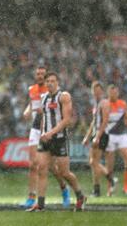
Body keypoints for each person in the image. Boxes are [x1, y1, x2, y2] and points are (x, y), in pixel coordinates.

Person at [27, 72, 86, 212]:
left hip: (59, 139)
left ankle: (80, 195)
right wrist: (42, 133)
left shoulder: (64, 96)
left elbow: (67, 120)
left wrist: (51, 133)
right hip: (46, 139)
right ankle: (40, 204)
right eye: (48, 81)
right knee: (41, 169)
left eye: (52, 81)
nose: (50, 83)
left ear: (57, 82)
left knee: (64, 173)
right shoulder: (44, 97)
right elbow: (44, 118)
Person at [21, 66, 70, 208]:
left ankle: (64, 189)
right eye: (38, 74)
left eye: (43, 74)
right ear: (36, 76)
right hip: (36, 128)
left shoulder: (50, 90)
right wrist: (27, 111)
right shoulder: (32, 89)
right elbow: (32, 104)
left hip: (49, 129)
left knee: (52, 168)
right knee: (32, 165)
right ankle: (31, 197)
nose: (40, 76)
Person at [98, 84, 127, 196]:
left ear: (118, 93)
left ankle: (126, 187)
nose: (114, 94)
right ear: (108, 93)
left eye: (116, 92)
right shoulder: (105, 104)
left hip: (122, 135)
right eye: (111, 92)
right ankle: (110, 187)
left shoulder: (122, 104)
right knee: (110, 165)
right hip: (109, 136)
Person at [81, 81, 113, 197]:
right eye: (94, 90)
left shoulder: (104, 103)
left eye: (98, 90)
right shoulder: (96, 104)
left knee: (94, 162)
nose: (96, 93)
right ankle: (104, 183)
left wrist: (98, 136)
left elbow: (105, 121)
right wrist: (87, 136)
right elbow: (94, 122)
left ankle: (103, 184)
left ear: (102, 91)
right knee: (93, 162)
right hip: (96, 133)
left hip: (102, 134)